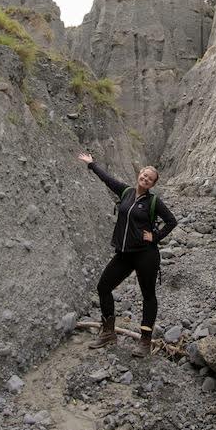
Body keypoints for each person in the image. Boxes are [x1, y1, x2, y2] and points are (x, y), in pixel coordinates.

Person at [78, 153, 177, 357]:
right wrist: (92, 164)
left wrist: (155, 236)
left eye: (150, 178)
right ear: (139, 174)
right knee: (103, 287)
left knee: (148, 296)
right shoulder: (126, 192)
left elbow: (171, 221)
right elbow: (107, 179)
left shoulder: (153, 202)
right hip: (124, 254)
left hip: (145, 255)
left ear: (153, 183)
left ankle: (145, 341)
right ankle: (108, 332)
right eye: (144, 174)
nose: (145, 178)